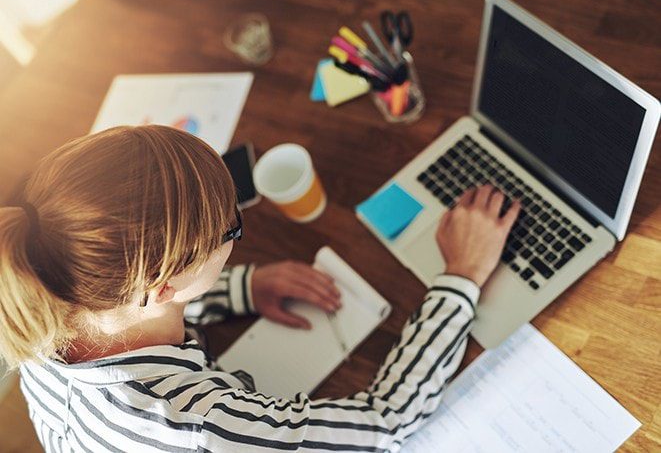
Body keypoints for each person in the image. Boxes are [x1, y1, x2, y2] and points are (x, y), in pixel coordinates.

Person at [0, 125, 519, 452]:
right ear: (163, 289)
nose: (235, 235)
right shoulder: (202, 428)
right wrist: (463, 274)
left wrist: (244, 288)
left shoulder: (41, 297)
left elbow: (130, 312)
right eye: (232, 230)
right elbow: (384, 422)